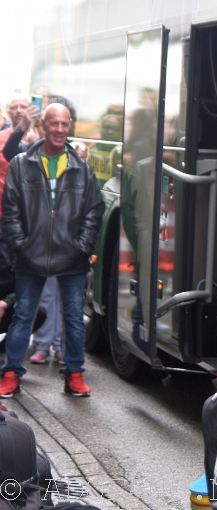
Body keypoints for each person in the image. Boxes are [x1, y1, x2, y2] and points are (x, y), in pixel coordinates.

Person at [0, 103, 104, 398]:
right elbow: (11, 210)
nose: (59, 130)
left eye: (65, 124)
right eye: (53, 124)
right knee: (23, 315)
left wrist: (82, 246)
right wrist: (21, 245)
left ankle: (74, 374)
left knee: (73, 318)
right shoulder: (21, 163)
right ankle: (10, 374)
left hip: (72, 257)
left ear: (70, 126)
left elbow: (94, 211)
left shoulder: (82, 167)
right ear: (43, 126)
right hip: (29, 256)